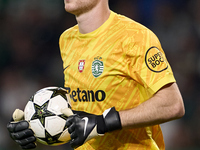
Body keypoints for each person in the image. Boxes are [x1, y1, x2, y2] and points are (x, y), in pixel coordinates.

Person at [7, 0, 185, 149]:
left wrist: (103, 123)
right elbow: (83, 104)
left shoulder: (135, 36)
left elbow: (172, 104)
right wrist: (36, 122)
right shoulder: (67, 40)